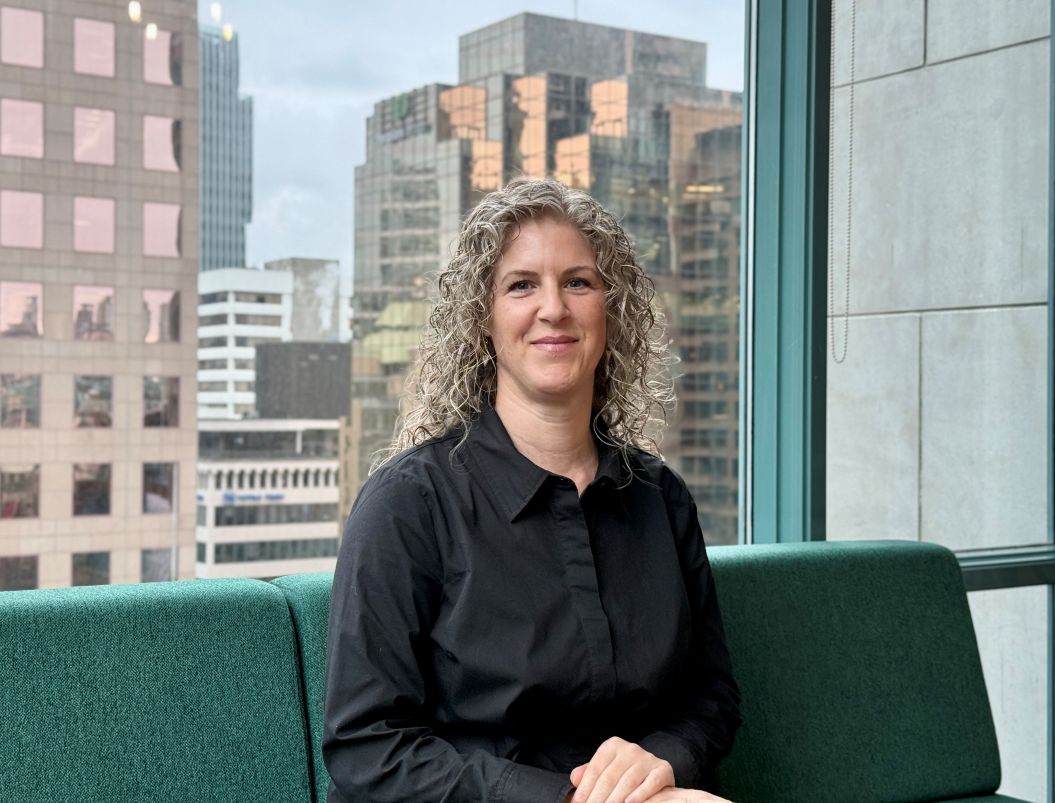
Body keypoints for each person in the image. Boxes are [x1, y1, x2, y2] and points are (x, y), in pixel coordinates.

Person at [324, 177, 741, 803]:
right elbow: (366, 746)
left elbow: (711, 695)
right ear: (483, 321)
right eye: (521, 285)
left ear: (611, 309)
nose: (554, 308)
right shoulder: (409, 503)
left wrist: (660, 760)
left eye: (578, 282)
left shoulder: (660, 498)